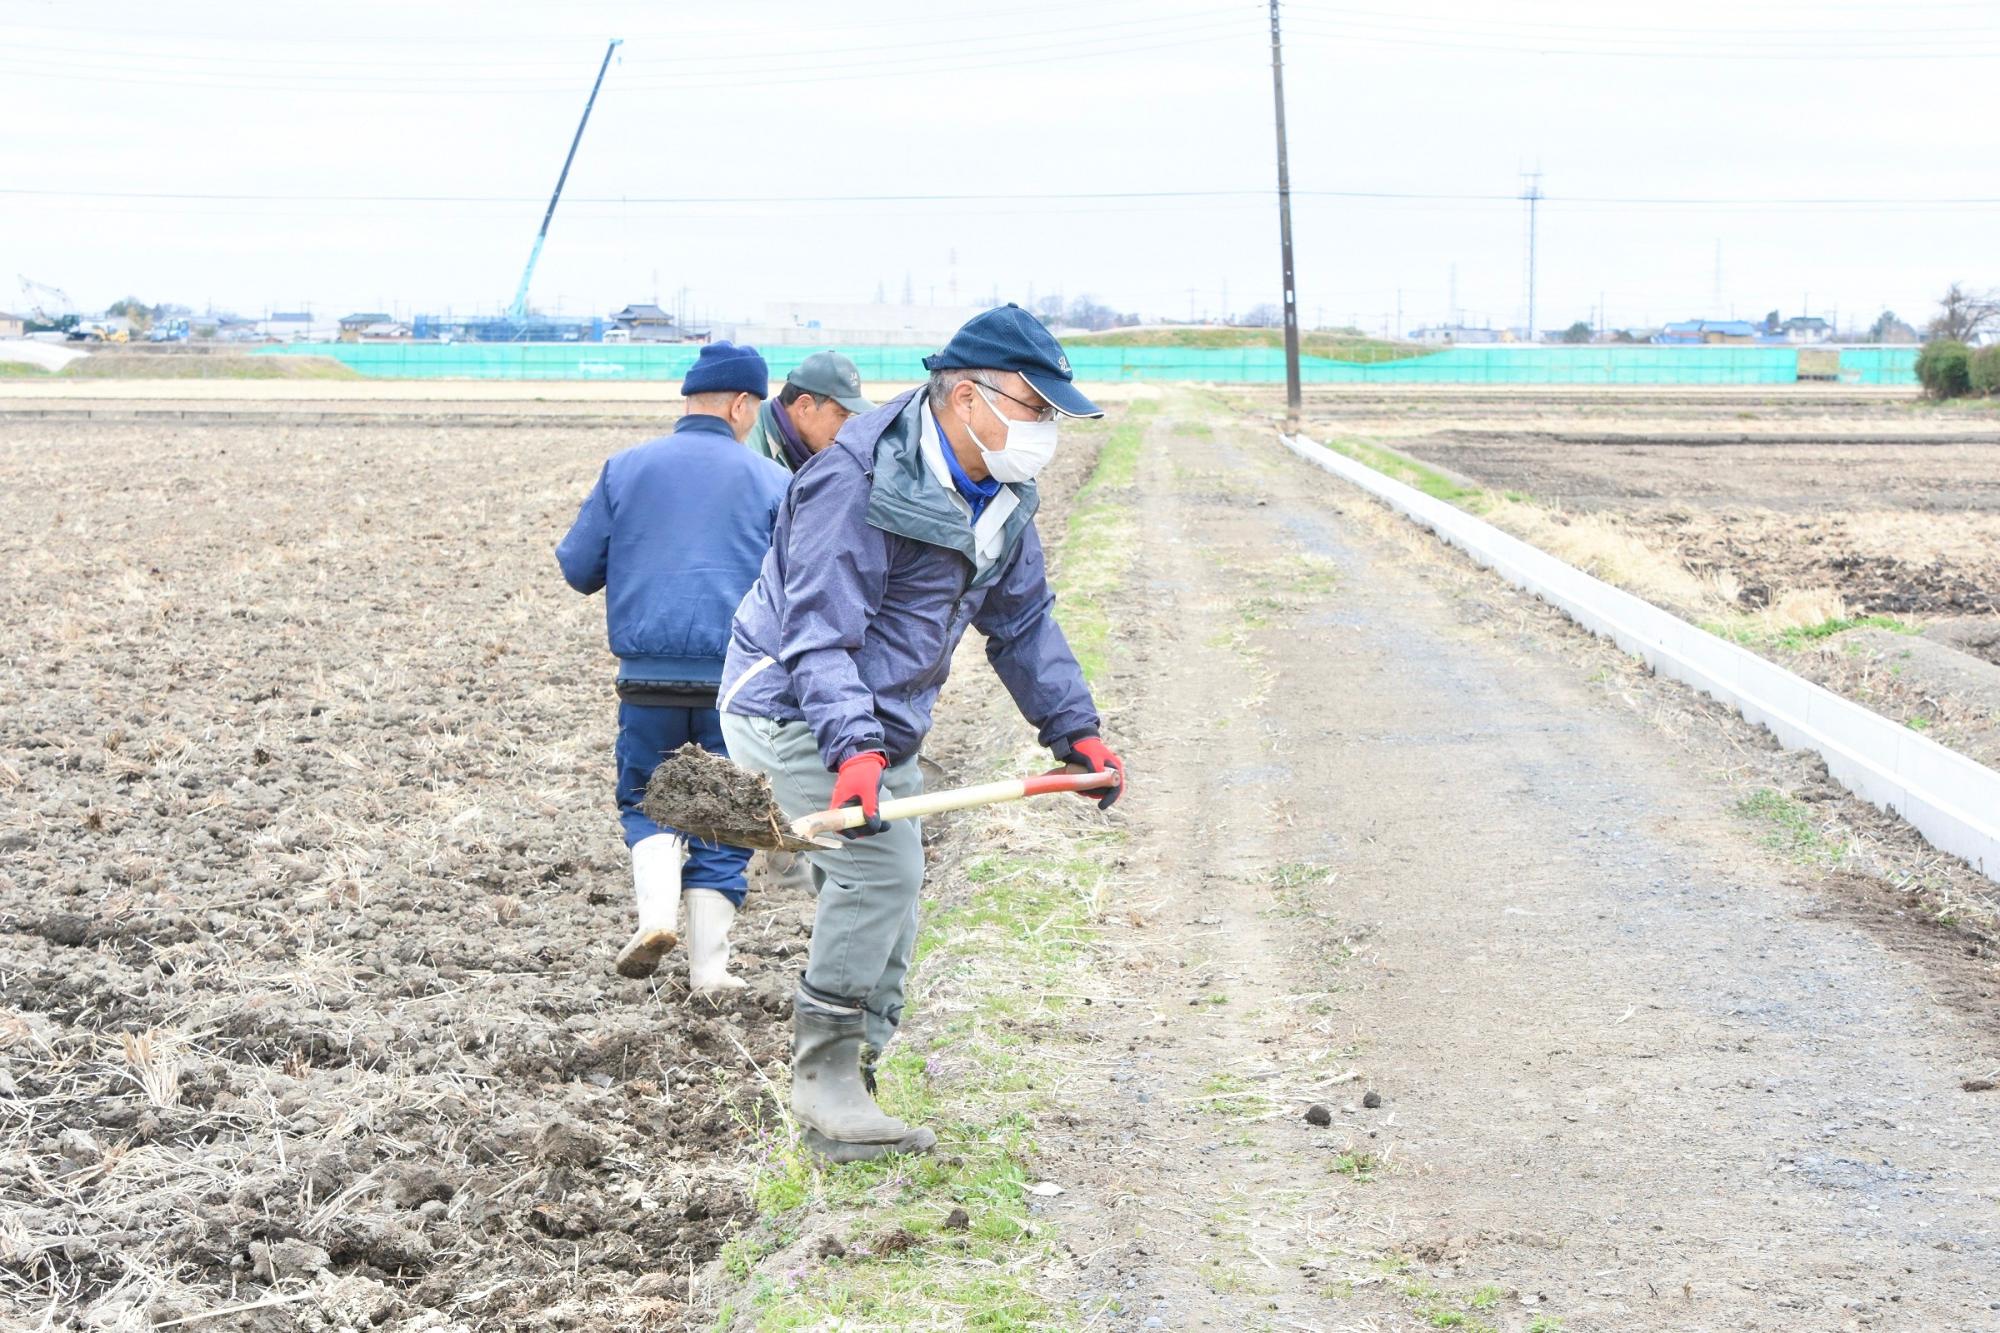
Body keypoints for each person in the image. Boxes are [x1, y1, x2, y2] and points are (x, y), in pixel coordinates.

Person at [718, 305, 1127, 1160]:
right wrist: (854, 750)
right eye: (1034, 405)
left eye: (1053, 412)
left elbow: (1023, 624)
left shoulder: (1002, 492)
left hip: (878, 718)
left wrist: (1074, 731)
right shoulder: (860, 477)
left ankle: (853, 1083)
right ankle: (823, 1084)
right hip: (791, 704)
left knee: (896, 902)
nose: (1044, 427)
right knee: (880, 868)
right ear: (967, 396)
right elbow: (819, 635)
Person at [556, 341, 789, 995]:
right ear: (742, 404)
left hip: (647, 678)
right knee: (729, 813)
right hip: (736, 684)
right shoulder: (773, 482)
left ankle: (656, 915)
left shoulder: (626, 469)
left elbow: (578, 569)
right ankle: (711, 971)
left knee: (645, 796)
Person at [744, 351, 875, 472]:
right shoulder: (746, 441)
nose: (845, 429)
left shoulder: (816, 450)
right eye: (840, 415)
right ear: (804, 407)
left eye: (849, 417)